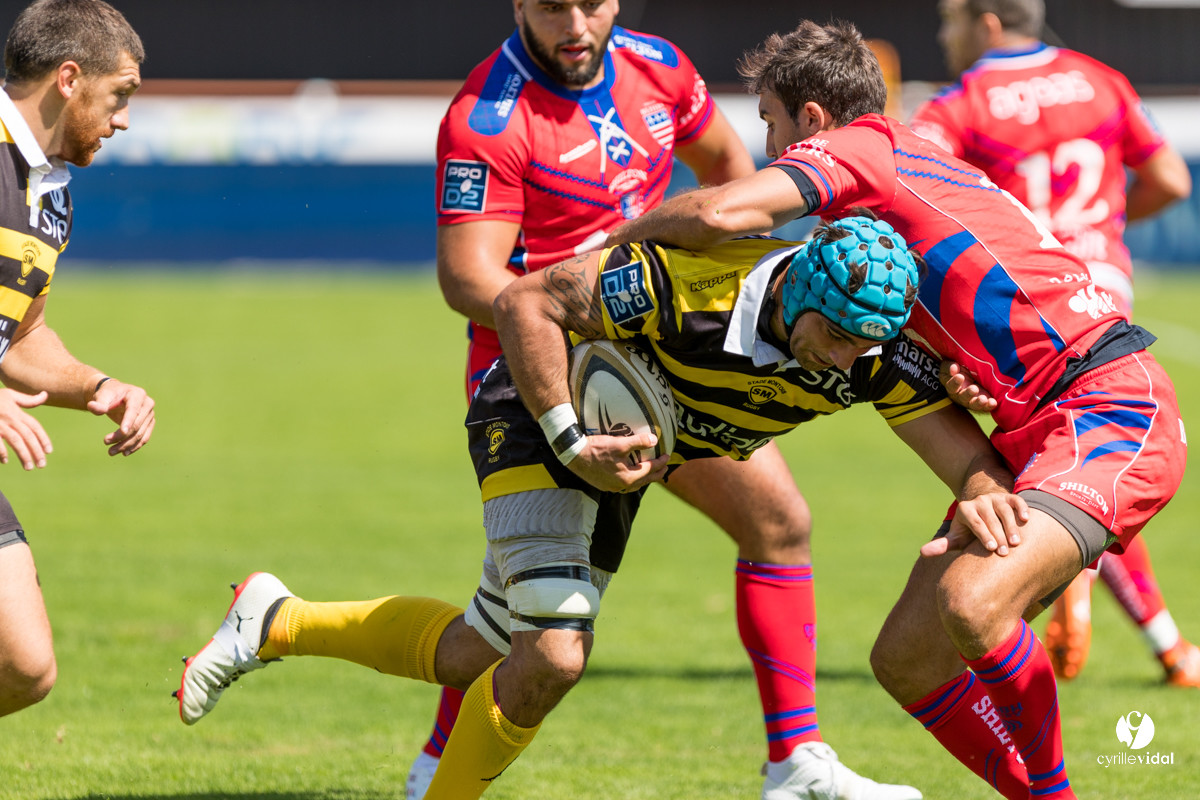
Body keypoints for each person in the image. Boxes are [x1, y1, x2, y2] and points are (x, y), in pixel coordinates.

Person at [176, 215, 1026, 799]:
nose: (846, 362)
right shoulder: (686, 284)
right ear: (798, 289)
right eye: (834, 338)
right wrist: (569, 434)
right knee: (553, 656)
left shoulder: (867, 350)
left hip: (627, 448)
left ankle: (276, 619)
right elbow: (523, 303)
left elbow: (965, 462)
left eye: (863, 347)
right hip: (538, 409)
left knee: (481, 648)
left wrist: (983, 497)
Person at [604, 19, 1187, 800]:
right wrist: (964, 376)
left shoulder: (858, 149)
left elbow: (718, 216)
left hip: (1107, 404)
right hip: (1042, 423)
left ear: (812, 120)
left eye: (772, 124)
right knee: (907, 660)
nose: (769, 146)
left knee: (971, 604)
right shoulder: (898, 185)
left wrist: (617, 242)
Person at [426, 1, 912, 798]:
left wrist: (721, 281)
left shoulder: (661, 67)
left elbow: (733, 176)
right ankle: (432, 760)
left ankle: (795, 762)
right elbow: (469, 279)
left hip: (663, 351)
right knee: (527, 624)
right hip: (556, 371)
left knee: (776, 524)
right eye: (552, 6)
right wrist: (582, 300)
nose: (576, 22)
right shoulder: (488, 117)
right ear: (520, 4)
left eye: (592, 1)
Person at [908, 0, 1198, 688]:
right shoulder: (1102, 79)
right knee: (1094, 465)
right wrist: (1112, 224)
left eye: (950, 23)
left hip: (1029, 305)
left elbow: (916, 183)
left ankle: (1067, 584)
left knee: (1056, 471)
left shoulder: (962, 102)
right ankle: (1166, 643)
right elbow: (1172, 181)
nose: (944, 37)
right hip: (1106, 294)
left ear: (987, 22)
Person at [0, 0, 155, 719]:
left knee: (24, 666)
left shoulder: (51, 195)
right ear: (70, 78)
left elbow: (23, 337)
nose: (123, 118)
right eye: (119, 95)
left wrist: (99, 385)